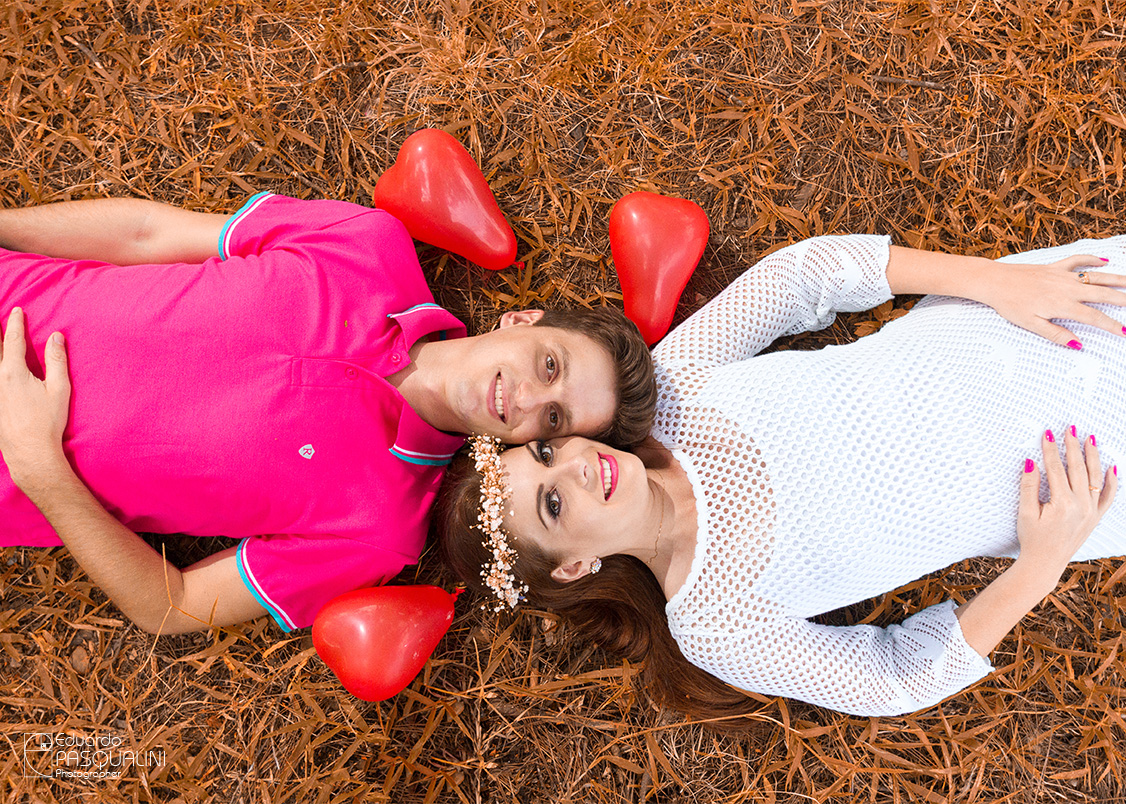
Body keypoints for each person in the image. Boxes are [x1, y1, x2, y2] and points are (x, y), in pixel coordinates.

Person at [439, 233, 1126, 718]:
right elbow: (892, 679)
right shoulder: (717, 625)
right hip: (1076, 471)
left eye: (548, 453)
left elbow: (805, 277)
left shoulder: (672, 391)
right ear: (573, 567)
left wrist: (996, 280)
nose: (581, 466)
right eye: (554, 504)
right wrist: (1041, 564)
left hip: (1020, 328)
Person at [0, 192, 656, 636]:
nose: (529, 399)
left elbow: (174, 607)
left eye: (551, 423)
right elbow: (150, 232)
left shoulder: (379, 531)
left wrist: (41, 470)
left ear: (531, 452)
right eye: (550, 366)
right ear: (524, 320)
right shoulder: (368, 245)